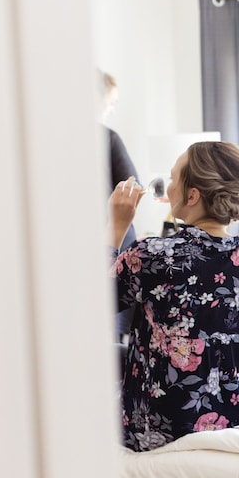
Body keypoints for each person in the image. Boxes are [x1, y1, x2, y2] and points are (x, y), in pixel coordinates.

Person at [108, 141, 239, 452]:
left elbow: (94, 301)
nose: (169, 186)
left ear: (193, 195)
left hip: (163, 423)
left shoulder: (149, 256)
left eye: (174, 178)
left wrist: (117, 226)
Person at [99, 69, 139, 342]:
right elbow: (132, 187)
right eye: (110, 102)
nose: (111, 109)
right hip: (115, 237)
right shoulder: (107, 137)